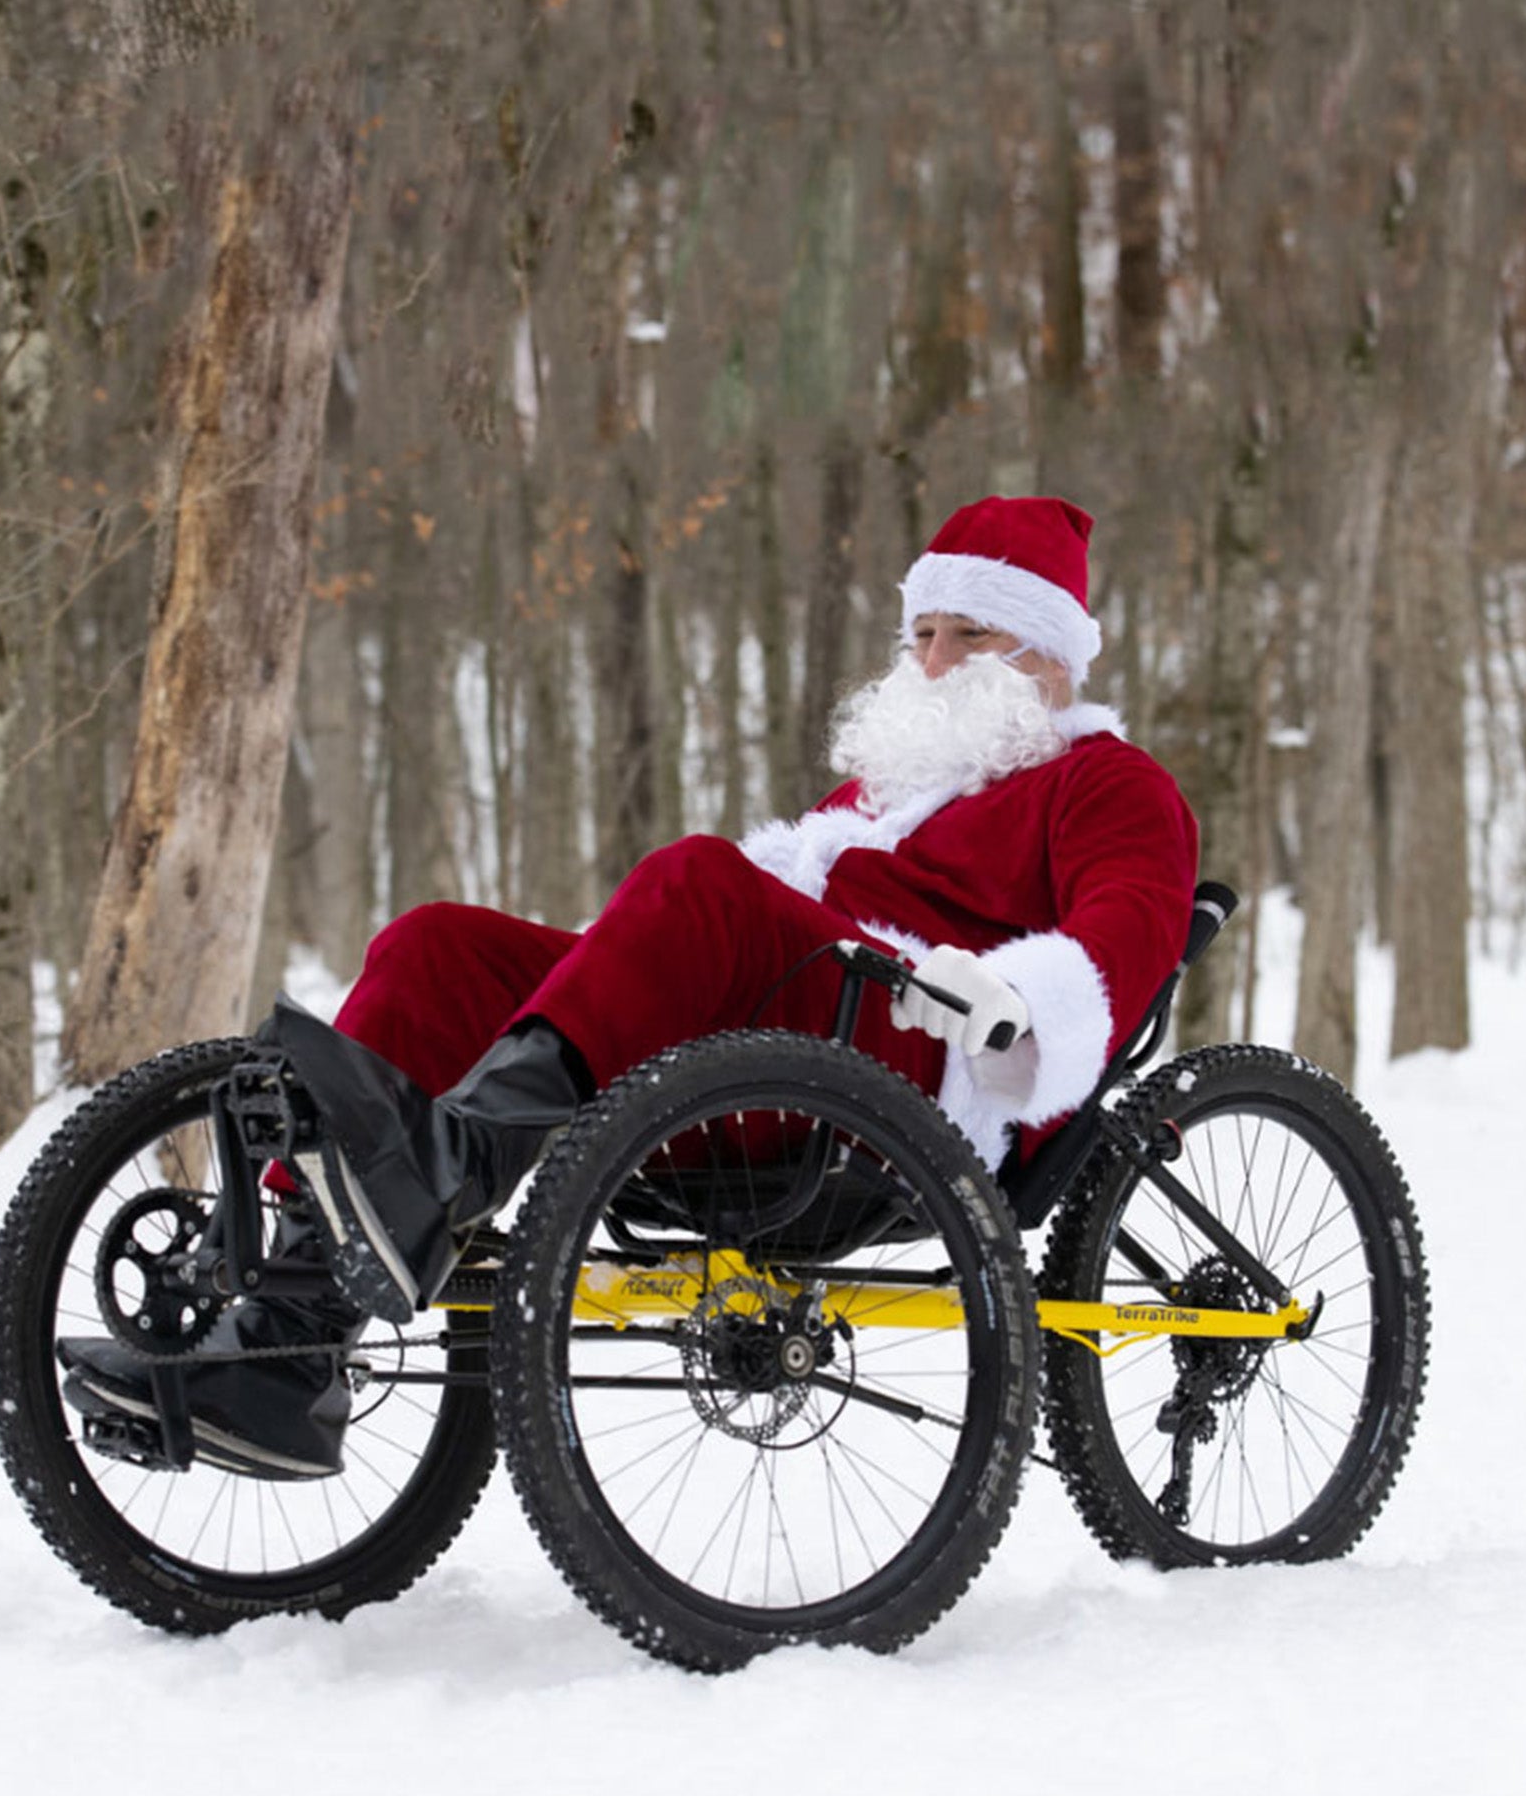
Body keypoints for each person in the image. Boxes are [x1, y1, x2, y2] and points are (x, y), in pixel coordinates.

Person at [60, 495, 1199, 1478]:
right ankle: (286, 1336)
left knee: (700, 877)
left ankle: (459, 1159)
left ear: (1051, 652)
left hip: (906, 1075)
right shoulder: (879, 799)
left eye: (972, 633)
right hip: (763, 1050)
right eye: (924, 633)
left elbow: (1122, 943)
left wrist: (1009, 999)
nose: (934, 660)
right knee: (437, 944)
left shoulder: (1108, 785)